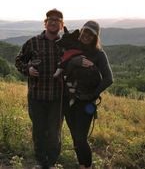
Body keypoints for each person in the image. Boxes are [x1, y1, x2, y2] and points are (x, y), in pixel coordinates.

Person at [15, 9, 64, 169]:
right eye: (50, 19)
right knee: (38, 132)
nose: (53, 21)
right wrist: (27, 69)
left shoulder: (64, 45)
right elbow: (18, 60)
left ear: (61, 25)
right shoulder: (33, 42)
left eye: (57, 19)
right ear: (45, 22)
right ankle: (41, 162)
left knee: (54, 133)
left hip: (57, 97)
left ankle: (51, 162)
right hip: (36, 96)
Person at [63, 20, 113, 169]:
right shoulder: (71, 47)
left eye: (91, 34)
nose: (87, 35)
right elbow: (63, 69)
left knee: (80, 138)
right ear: (81, 31)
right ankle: (82, 165)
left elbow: (109, 79)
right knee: (75, 137)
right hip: (69, 100)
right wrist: (73, 63)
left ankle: (87, 166)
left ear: (95, 37)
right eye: (85, 31)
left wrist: (92, 95)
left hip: (86, 104)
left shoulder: (99, 54)